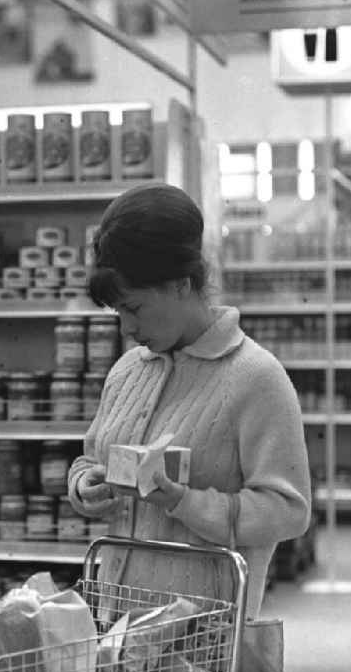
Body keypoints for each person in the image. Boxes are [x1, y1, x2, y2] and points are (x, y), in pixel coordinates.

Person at [67, 182, 311, 617]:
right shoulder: (127, 371)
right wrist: (85, 486)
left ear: (181, 285)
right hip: (116, 624)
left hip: (203, 639)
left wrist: (185, 502)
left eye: (134, 308)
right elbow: (89, 458)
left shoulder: (256, 378)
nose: (125, 327)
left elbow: (289, 510)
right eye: (117, 312)